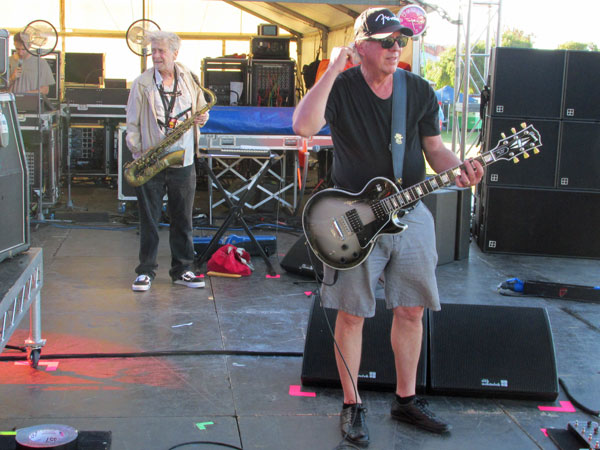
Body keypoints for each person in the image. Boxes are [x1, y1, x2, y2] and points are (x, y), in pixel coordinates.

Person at [292, 8, 484, 448]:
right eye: (385, 41)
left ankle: (406, 398)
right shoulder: (340, 87)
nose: (395, 48)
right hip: (353, 217)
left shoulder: (417, 89)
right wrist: (334, 67)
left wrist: (461, 170)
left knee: (412, 308)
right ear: (361, 47)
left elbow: (435, 150)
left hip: (410, 210)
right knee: (353, 313)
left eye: (400, 41)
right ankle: (352, 405)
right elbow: (303, 125)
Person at [126, 30, 209, 292]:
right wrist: (140, 155)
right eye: (154, 50)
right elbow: (132, 124)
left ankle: (183, 268)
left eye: (161, 51)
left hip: (182, 158)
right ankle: (145, 271)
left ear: (175, 53)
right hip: (152, 160)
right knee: (149, 219)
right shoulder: (141, 83)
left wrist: (202, 119)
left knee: (182, 218)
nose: (156, 55)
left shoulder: (190, 80)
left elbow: (201, 109)